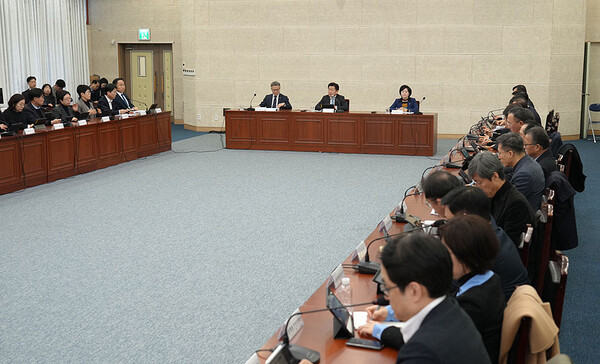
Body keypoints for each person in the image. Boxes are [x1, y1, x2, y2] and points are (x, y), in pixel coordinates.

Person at [357, 232, 491, 364]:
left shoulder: (421, 352)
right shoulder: (452, 309)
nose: (387, 297)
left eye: (388, 289)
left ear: (414, 291)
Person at [441, 186, 530, 301]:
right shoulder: (489, 227)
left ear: (464, 217)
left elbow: (454, 279)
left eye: (450, 220)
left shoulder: (480, 244)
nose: (448, 225)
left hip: (503, 306)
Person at [467, 152, 535, 246]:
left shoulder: (516, 204)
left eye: (479, 182)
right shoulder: (496, 194)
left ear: (495, 176)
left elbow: (507, 244)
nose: (477, 187)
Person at [497, 133, 545, 210]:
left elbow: (507, 202)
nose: (499, 157)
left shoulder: (524, 175)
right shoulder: (526, 161)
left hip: (523, 217)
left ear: (510, 154)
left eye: (499, 153)